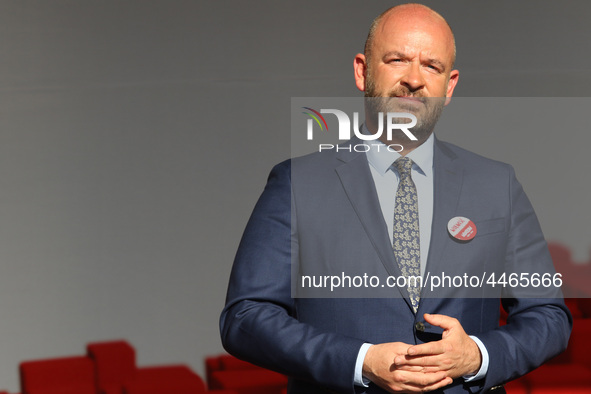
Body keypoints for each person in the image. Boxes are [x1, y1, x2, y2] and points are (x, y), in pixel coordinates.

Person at [220, 3, 571, 393]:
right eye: (398, 60)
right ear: (362, 71)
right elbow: (246, 317)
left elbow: (548, 316)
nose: (415, 80)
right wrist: (361, 361)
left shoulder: (496, 184)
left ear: (449, 86)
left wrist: (477, 355)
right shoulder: (297, 183)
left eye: (432, 66)